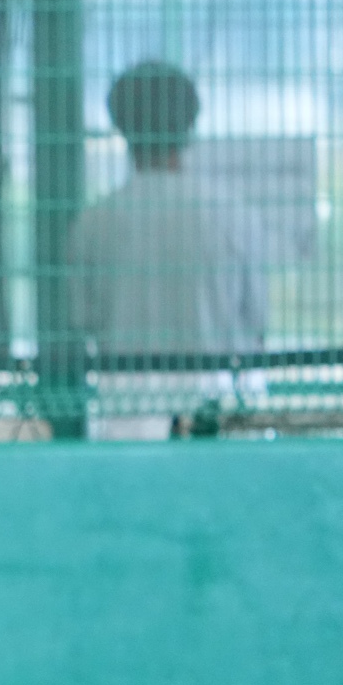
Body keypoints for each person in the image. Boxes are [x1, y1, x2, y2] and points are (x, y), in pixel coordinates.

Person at [70, 60, 268, 439]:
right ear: (189, 126)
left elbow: (84, 321)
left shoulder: (94, 223)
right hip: (217, 417)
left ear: (122, 127)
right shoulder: (234, 216)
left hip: (129, 421)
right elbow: (255, 322)